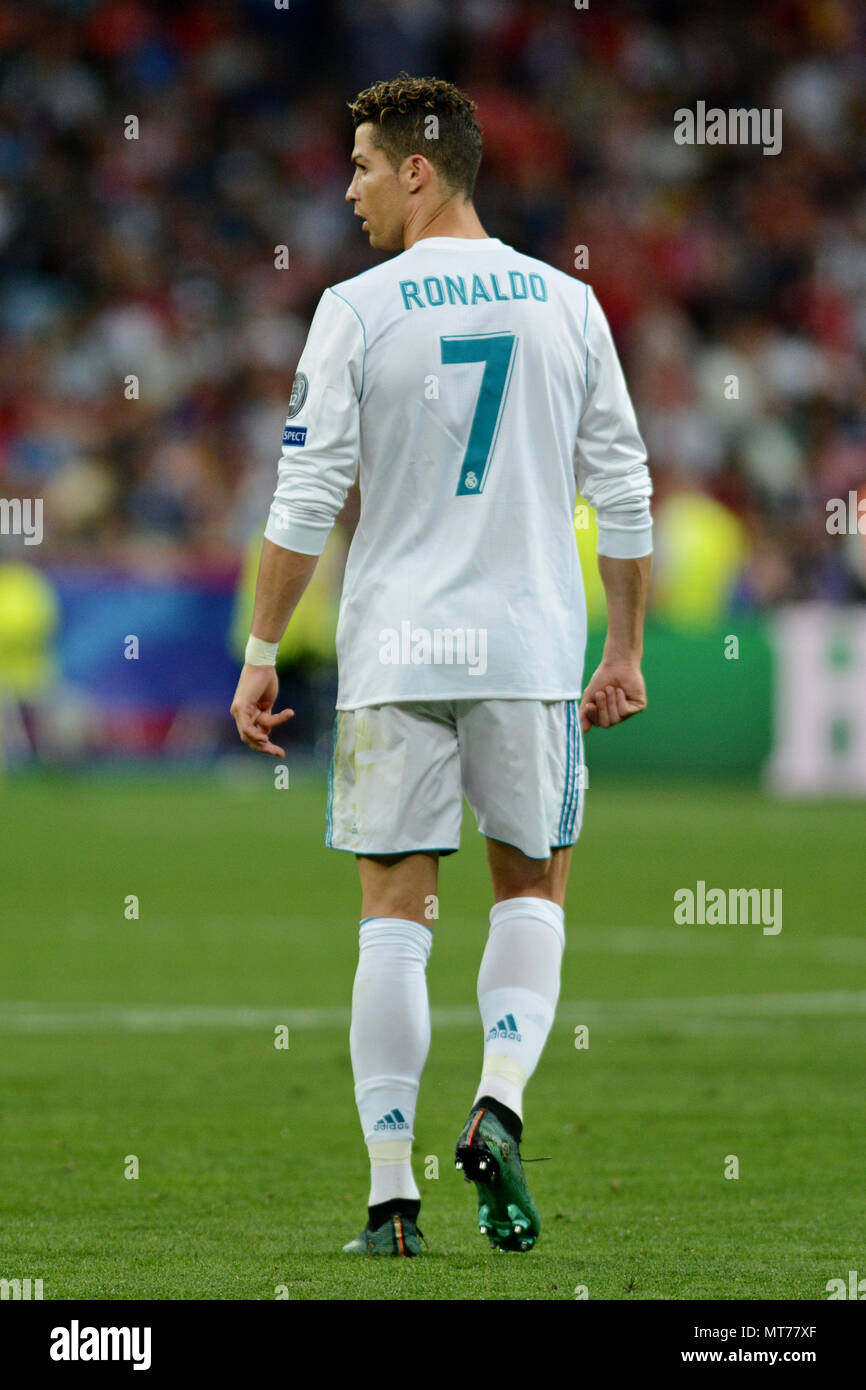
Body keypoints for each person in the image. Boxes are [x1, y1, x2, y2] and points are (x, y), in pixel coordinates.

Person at [230, 74, 652, 1257]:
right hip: (523, 646)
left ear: (419, 169)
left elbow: (302, 493)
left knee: (391, 916)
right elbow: (622, 487)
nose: (350, 188)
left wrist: (263, 653)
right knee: (529, 888)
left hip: (393, 649)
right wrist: (618, 648)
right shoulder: (566, 304)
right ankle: (499, 1105)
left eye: (362, 165)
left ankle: (388, 1199)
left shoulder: (356, 309)